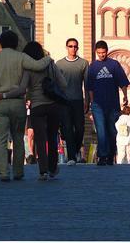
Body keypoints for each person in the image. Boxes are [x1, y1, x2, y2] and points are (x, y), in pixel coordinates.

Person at [0, 30, 53, 182]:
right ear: (16, 43)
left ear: (1, 43)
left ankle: (3, 172)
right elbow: (37, 66)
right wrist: (48, 58)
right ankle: (18, 171)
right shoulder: (21, 57)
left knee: (1, 140)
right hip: (18, 103)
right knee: (17, 138)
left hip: (0, 104)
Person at [22, 41, 68, 180]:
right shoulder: (50, 65)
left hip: (37, 107)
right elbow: (64, 84)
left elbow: (23, 87)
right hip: (53, 105)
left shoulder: (28, 68)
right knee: (52, 138)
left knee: (40, 140)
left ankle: (42, 171)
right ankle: (53, 168)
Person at [85, 40, 130, 165]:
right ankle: (102, 156)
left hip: (112, 104)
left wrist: (125, 96)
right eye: (99, 53)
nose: (101, 55)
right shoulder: (93, 66)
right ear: (96, 52)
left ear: (107, 51)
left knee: (111, 130)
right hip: (98, 105)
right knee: (101, 130)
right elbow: (89, 87)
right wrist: (91, 102)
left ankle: (110, 154)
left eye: (103, 52)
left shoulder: (114, 65)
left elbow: (123, 82)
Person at [56, 37, 89, 165]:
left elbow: (87, 83)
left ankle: (74, 150)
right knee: (68, 128)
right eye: (70, 46)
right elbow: (56, 84)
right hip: (64, 101)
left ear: (78, 48)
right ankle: (71, 157)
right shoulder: (59, 64)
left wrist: (87, 100)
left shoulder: (84, 63)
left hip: (78, 100)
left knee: (80, 128)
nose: (73, 48)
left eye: (75, 46)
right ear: (66, 47)